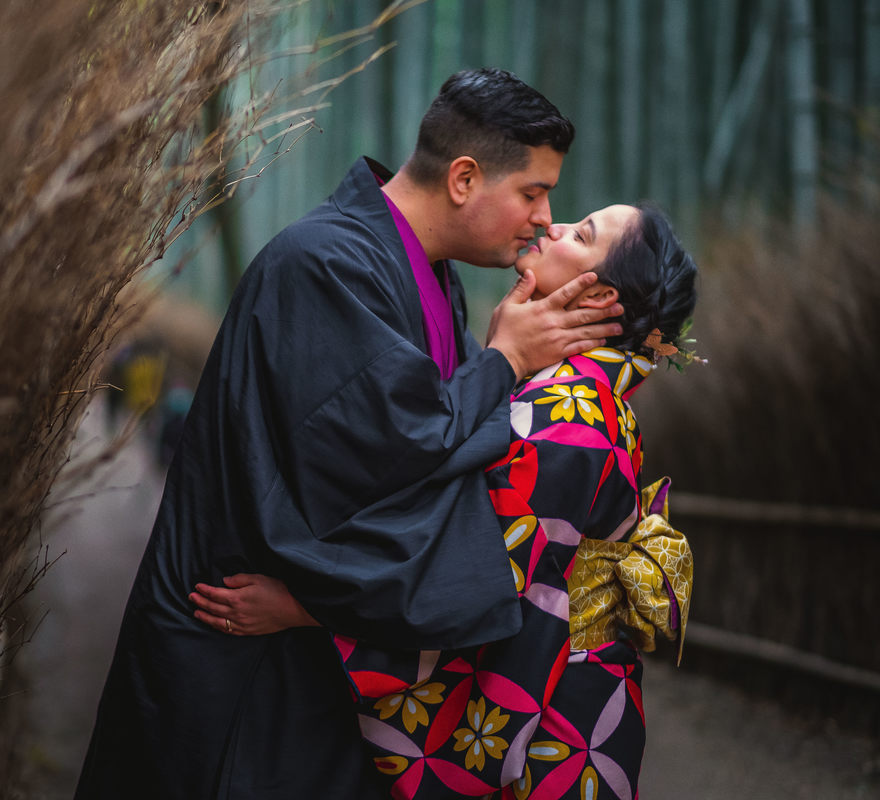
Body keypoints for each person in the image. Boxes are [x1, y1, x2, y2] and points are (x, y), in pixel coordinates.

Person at [75, 68, 625, 799]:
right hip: (237, 659)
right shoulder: (323, 265)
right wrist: (504, 361)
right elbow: (392, 463)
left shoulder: (427, 274)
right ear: (464, 178)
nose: (545, 219)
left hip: (302, 652)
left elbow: (455, 471)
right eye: (533, 192)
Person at [193, 203, 698, 799]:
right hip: (565, 694)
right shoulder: (574, 396)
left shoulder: (572, 417)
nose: (553, 225)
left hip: (558, 727)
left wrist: (304, 606)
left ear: (600, 298)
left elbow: (469, 574)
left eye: (581, 234)